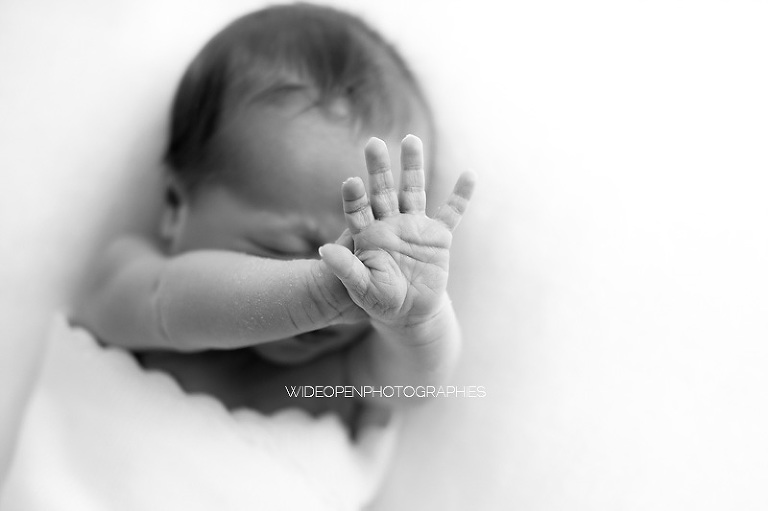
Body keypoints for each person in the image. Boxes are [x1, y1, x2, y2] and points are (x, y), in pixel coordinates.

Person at [72, 3, 476, 431]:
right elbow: (168, 303)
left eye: (365, 257)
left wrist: (415, 318)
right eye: (282, 248)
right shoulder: (130, 282)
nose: (346, 276)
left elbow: (413, 387)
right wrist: (313, 294)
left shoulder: (335, 376)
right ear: (176, 207)